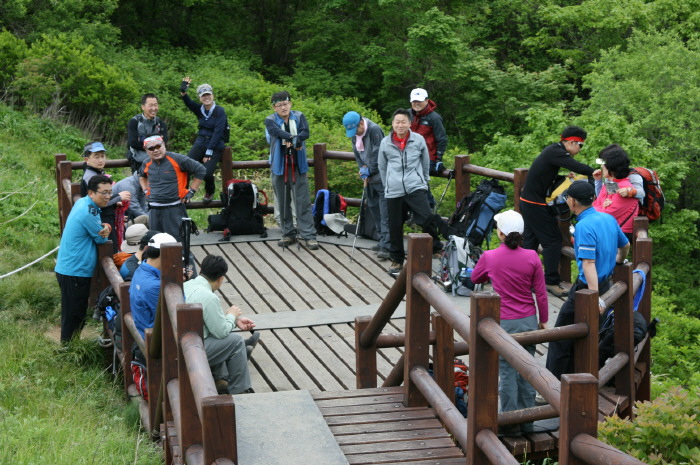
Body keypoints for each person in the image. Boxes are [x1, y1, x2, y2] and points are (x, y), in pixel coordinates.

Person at [470, 210, 548, 436]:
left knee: (507, 373)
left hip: (504, 322)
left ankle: (510, 424)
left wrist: (491, 275)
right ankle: (528, 422)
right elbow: (541, 294)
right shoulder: (533, 256)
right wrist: (543, 320)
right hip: (528, 321)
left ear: (501, 233)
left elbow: (476, 278)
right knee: (528, 370)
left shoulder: (490, 256)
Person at [545, 181, 630, 380]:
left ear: (572, 201)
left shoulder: (583, 226)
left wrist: (594, 296)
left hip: (588, 290)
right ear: (592, 199)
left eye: (567, 199)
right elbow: (625, 245)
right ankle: (575, 378)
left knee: (560, 335)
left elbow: (589, 263)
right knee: (587, 334)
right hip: (605, 284)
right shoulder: (608, 218)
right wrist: (618, 260)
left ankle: (551, 384)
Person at [519, 126, 596, 297]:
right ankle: (551, 282)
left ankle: (523, 279)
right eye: (580, 145)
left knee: (530, 242)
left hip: (528, 201)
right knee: (553, 241)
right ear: (571, 142)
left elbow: (546, 174)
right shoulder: (556, 152)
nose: (580, 149)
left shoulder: (553, 151)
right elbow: (577, 167)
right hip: (534, 203)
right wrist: (595, 172)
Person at [378, 108, 448, 276]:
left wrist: (423, 181)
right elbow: (382, 166)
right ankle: (396, 259)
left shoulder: (418, 140)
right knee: (395, 225)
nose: (400, 125)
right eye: (397, 122)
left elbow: (424, 162)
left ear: (409, 123)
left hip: (415, 186)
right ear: (393, 124)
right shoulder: (385, 142)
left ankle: (435, 247)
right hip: (394, 189)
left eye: (403, 122)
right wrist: (387, 184)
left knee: (426, 217)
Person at [184, 255, 258, 395]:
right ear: (221, 278)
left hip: (184, 340)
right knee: (235, 342)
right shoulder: (209, 296)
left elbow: (210, 322)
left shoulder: (187, 285)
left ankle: (220, 380)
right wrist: (232, 315)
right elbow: (221, 332)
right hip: (189, 351)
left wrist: (234, 321)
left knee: (218, 336)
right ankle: (239, 390)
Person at [55, 174, 112, 343]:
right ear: (91, 193)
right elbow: (101, 238)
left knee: (74, 311)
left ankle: (69, 345)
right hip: (75, 270)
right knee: (74, 313)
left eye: (110, 192)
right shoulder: (89, 211)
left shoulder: (83, 203)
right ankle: (67, 349)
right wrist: (107, 226)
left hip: (70, 268)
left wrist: (104, 226)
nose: (108, 196)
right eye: (104, 193)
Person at [264, 91, 319, 250]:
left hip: (298, 164)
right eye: (279, 105)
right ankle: (288, 233)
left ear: (291, 104)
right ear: (274, 107)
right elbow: (276, 132)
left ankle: (309, 235)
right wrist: (294, 138)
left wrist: (295, 140)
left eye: (286, 103)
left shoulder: (300, 116)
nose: (283, 107)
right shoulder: (270, 120)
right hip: (279, 166)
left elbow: (306, 132)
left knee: (303, 200)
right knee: (283, 200)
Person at [139, 135, 206, 240]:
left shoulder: (178, 159)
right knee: (156, 242)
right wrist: (145, 190)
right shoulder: (146, 163)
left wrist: (191, 191)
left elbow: (201, 170)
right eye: (151, 148)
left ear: (164, 145)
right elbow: (142, 176)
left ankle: (184, 257)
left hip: (173, 208)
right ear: (146, 150)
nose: (155, 150)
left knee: (176, 242)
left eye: (158, 146)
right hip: (153, 209)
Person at [342, 111, 390, 260]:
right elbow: (357, 154)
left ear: (361, 123)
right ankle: (382, 240)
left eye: (355, 129)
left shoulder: (374, 130)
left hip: (381, 178)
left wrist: (370, 170)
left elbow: (379, 154)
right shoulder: (354, 135)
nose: (354, 134)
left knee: (385, 213)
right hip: (369, 179)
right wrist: (362, 170)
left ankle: (387, 246)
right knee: (374, 210)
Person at [179, 78, 228, 204]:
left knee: (206, 173)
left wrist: (209, 151)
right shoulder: (199, 109)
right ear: (200, 97)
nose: (206, 97)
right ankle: (183, 194)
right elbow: (188, 102)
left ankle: (210, 190)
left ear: (212, 95)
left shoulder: (219, 111)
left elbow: (218, 132)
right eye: (203, 95)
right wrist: (183, 91)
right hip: (201, 142)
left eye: (208, 94)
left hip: (215, 144)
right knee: (185, 166)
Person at [80, 142, 131, 253]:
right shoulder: (91, 176)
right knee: (109, 250)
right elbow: (98, 202)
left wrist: (114, 203)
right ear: (86, 159)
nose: (100, 160)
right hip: (101, 219)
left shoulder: (97, 172)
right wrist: (118, 197)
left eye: (102, 156)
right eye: (96, 157)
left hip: (104, 216)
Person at [129, 232, 178, 341]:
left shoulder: (140, 269)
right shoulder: (154, 286)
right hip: (156, 342)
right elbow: (173, 317)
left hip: (142, 330)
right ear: (165, 254)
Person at [592, 144, 643, 241]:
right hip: (611, 230)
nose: (602, 166)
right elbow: (599, 202)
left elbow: (606, 213)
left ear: (612, 166)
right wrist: (602, 205)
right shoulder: (612, 183)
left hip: (619, 233)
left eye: (604, 163)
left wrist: (602, 206)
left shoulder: (624, 186)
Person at [127, 93, 168, 173]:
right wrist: (154, 145)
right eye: (150, 105)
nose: (154, 108)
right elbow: (133, 142)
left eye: (156, 105)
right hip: (139, 161)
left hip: (158, 161)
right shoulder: (135, 122)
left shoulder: (160, 123)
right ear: (143, 107)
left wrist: (147, 144)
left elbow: (164, 141)